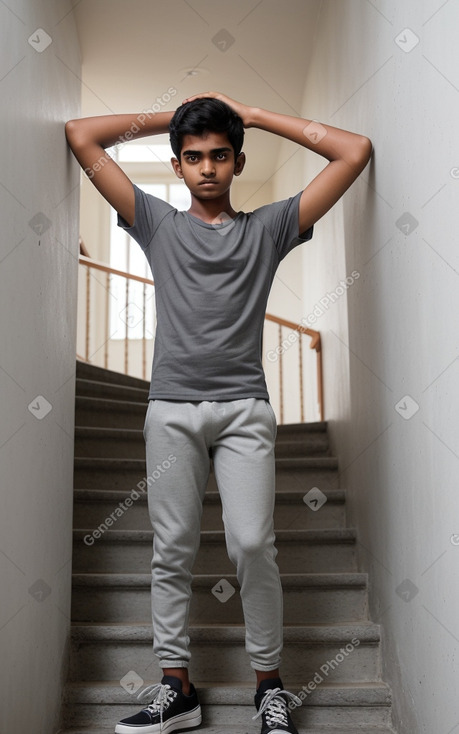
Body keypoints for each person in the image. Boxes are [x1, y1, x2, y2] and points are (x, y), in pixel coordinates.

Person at [66, 92, 372, 734]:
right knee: (171, 549)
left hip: (244, 411)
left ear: (236, 161)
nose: (207, 167)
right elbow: (81, 134)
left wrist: (257, 114)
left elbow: (354, 152)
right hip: (171, 409)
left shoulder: (269, 228)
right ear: (178, 166)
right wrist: (170, 115)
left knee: (254, 543)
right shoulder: (155, 224)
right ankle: (176, 687)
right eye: (194, 156)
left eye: (220, 155)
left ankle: (269, 686)